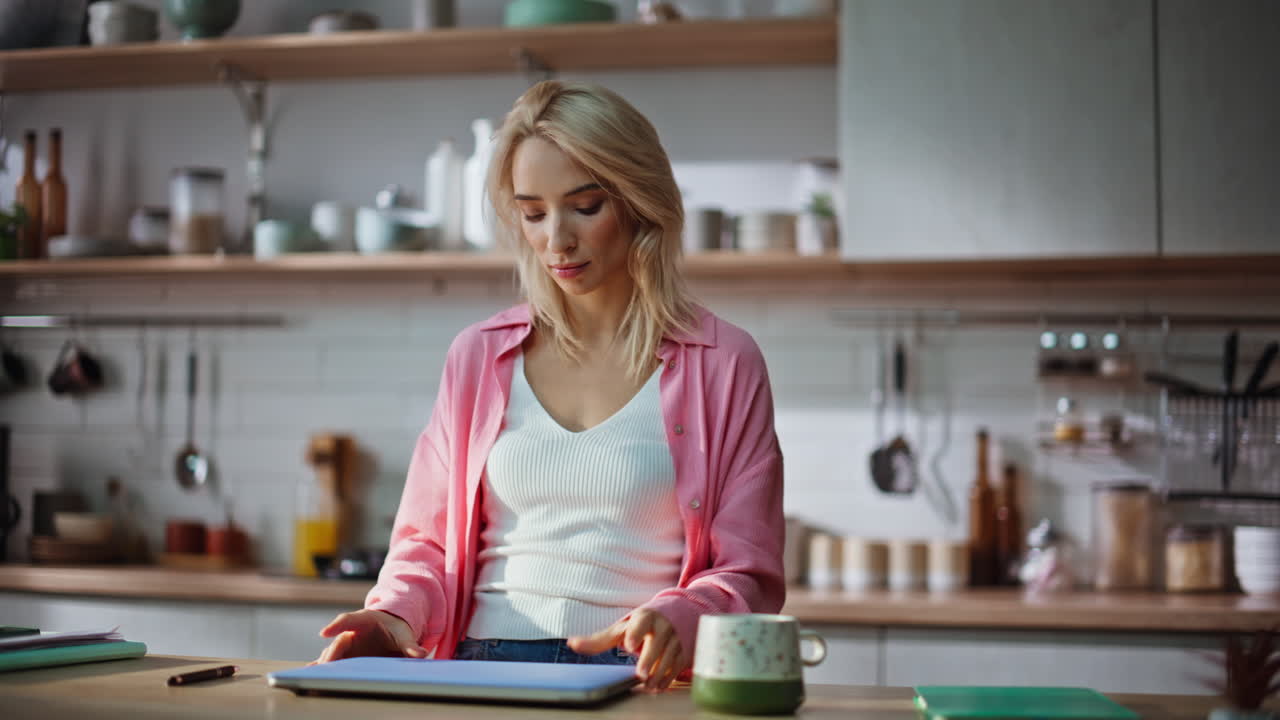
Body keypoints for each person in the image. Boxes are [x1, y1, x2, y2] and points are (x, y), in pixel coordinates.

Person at [313, 81, 784, 692]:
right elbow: (425, 544)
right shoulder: (479, 357)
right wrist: (390, 617)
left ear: (640, 201)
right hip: (481, 670)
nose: (555, 240)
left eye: (585, 206)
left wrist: (686, 616)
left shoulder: (723, 364)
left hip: (640, 682)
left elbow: (751, 572)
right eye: (533, 213)